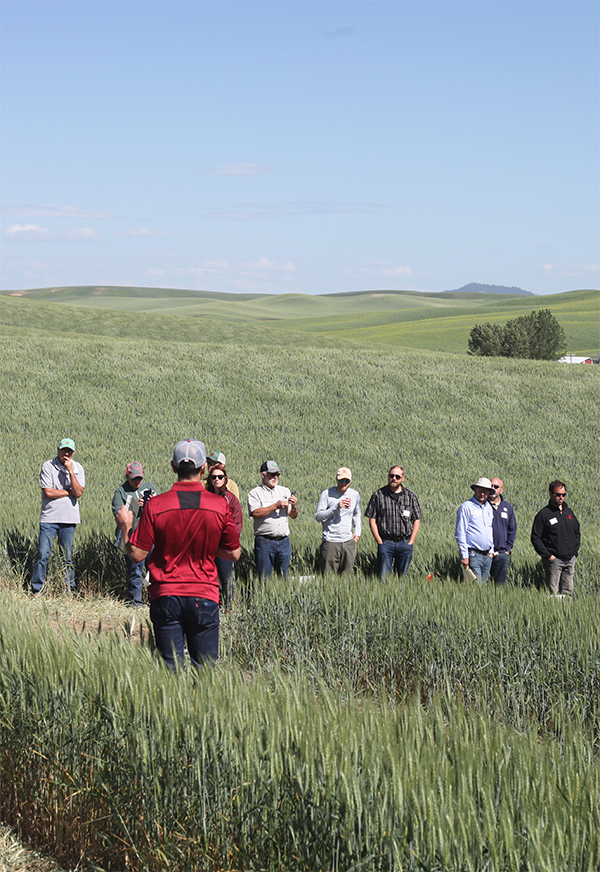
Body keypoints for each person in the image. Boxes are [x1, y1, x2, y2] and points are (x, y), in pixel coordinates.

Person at [116, 439, 241, 670]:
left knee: (169, 671)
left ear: (173, 467)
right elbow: (234, 553)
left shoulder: (156, 506)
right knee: (205, 673)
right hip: (204, 594)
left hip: (166, 595)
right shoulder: (219, 506)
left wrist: (126, 527)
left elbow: (137, 555)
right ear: (204, 469)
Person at [31, 438, 85, 594]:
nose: (66, 454)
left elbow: (79, 492)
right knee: (42, 554)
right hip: (49, 518)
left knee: (67, 557)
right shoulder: (48, 466)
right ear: (58, 450)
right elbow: (48, 492)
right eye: (63, 450)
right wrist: (69, 492)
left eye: (69, 451)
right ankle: (37, 589)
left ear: (73, 452)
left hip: (69, 519)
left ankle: (69, 589)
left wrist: (70, 471)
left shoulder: (77, 468)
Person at [112, 461, 157, 607]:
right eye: (134, 479)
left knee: (154, 569)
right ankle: (136, 602)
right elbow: (120, 516)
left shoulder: (149, 487)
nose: (138, 481)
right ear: (127, 477)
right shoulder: (121, 492)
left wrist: (151, 504)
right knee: (135, 570)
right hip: (132, 537)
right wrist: (136, 506)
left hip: (151, 536)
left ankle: (154, 599)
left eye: (140, 478)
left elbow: (161, 510)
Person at [365, 466, 422, 578]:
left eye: (397, 476)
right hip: (386, 542)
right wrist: (379, 541)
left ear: (402, 478)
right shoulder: (378, 495)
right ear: (388, 477)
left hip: (405, 542)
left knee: (402, 577)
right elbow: (372, 519)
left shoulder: (410, 496)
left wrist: (411, 541)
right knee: (383, 578)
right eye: (392, 476)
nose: (394, 478)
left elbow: (416, 519)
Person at [247, 460, 298, 579]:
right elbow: (255, 513)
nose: (275, 477)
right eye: (272, 474)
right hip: (265, 542)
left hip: (284, 541)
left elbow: (293, 515)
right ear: (263, 475)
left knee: (283, 578)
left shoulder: (284, 491)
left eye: (277, 474)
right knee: (264, 578)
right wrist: (275, 506)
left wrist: (294, 506)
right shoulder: (255, 493)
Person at [531, 480, 580, 596]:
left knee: (568, 593)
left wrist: (574, 552)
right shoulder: (544, 514)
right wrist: (549, 556)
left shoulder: (569, 512)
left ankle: (567, 612)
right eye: (558, 495)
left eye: (563, 495)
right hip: (554, 561)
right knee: (552, 593)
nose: (561, 497)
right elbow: (535, 537)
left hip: (570, 560)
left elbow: (577, 533)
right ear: (550, 494)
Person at [205, 461, 243, 608]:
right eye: (214, 477)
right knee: (208, 578)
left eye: (220, 477)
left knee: (226, 578)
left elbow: (236, 524)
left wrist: (227, 541)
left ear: (225, 479)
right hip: (207, 545)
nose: (217, 480)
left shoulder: (231, 500)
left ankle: (228, 608)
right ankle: (211, 606)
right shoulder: (204, 498)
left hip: (224, 546)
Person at [315, 467, 361, 574]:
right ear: (337, 479)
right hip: (331, 541)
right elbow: (318, 516)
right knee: (328, 576)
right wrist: (336, 507)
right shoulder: (327, 494)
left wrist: (357, 532)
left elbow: (357, 513)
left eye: (347, 481)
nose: (344, 483)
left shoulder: (354, 495)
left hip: (348, 542)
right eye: (341, 480)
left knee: (346, 576)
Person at [455, 477, 495, 582]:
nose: (482, 493)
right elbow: (460, 533)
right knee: (476, 587)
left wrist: (491, 551)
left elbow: (490, 530)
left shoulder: (488, 508)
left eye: (485, 491)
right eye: (480, 490)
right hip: (473, 554)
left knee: (483, 588)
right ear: (475, 490)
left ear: (489, 493)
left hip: (487, 556)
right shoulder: (466, 507)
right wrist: (464, 555)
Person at [488, 477, 517, 587]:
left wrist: (507, 550)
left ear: (501, 490)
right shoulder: (482, 505)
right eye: (491, 486)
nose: (492, 488)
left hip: (501, 554)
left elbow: (512, 529)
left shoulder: (507, 507)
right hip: (484, 554)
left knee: (500, 587)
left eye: (496, 487)